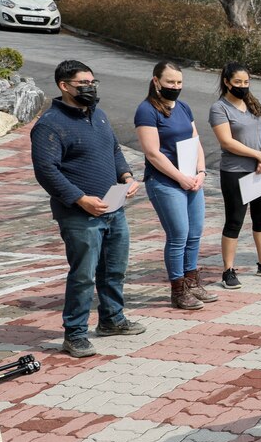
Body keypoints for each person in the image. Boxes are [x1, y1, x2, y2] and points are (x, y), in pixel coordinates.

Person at [31, 60, 145, 357]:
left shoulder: (100, 115)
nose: (90, 88)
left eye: (93, 82)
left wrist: (127, 175)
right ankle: (75, 333)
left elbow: (115, 150)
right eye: (83, 83)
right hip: (80, 214)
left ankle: (111, 319)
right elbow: (46, 170)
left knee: (114, 269)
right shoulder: (50, 124)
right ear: (64, 85)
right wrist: (80, 198)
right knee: (83, 275)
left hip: (113, 207)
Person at [135, 61, 216, 310]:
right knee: (178, 235)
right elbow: (152, 153)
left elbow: (195, 140)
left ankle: (192, 281)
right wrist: (180, 178)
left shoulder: (183, 107)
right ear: (156, 81)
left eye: (179, 82)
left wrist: (201, 172)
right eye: (170, 82)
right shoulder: (147, 110)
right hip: (166, 182)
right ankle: (178, 289)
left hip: (192, 180)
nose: (175, 86)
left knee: (195, 233)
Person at [210, 62, 261, 289]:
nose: (243, 87)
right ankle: (228, 270)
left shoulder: (255, 103)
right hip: (236, 172)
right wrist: (257, 155)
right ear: (226, 82)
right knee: (234, 220)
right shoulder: (219, 108)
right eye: (238, 82)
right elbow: (227, 141)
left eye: (246, 82)